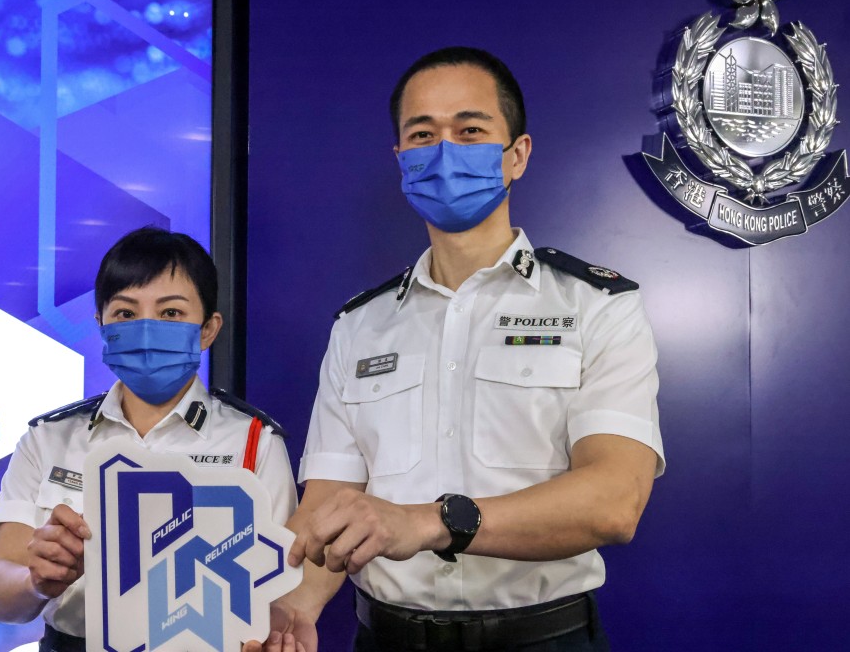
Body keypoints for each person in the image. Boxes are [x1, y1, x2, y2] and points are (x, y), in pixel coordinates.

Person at [246, 47, 665, 652]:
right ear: (402, 160)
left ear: (515, 155)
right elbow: (330, 506)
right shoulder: (358, 327)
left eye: (470, 130)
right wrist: (291, 603)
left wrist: (429, 522)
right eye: (423, 134)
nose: (445, 151)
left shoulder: (597, 305)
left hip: (543, 640)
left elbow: (614, 501)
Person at [0, 226, 298, 652]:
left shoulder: (254, 443)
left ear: (207, 330)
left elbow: (279, 598)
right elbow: (0, 599)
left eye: (170, 314)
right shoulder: (48, 440)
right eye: (126, 314)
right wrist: (38, 581)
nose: (146, 330)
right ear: (102, 326)